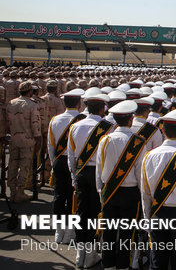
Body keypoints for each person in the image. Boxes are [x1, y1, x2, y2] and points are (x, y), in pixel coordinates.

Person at [141, 108, 176, 270]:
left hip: (157, 212)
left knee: (157, 261)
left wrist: (147, 219)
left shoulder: (149, 155)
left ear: (163, 131)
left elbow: (145, 192)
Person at [96, 100, 149, 270]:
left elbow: (99, 168)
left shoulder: (105, 140)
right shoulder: (138, 142)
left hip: (109, 191)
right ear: (131, 119)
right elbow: (140, 174)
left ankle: (108, 264)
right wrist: (142, 196)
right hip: (130, 193)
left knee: (109, 232)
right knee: (127, 233)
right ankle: (123, 265)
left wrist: (100, 191)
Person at [67, 88, 112, 268]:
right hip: (97, 173)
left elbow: (71, 156)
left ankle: (80, 253)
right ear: (102, 108)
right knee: (95, 213)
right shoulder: (108, 127)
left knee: (81, 212)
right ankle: (91, 253)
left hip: (80, 172)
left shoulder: (75, 126)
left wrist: (73, 176)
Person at [47, 87, 85, 244]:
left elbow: (51, 146)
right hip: (74, 162)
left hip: (58, 161)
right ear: (78, 103)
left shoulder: (55, 120)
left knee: (58, 195)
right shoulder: (82, 120)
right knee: (72, 197)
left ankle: (59, 230)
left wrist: (53, 163)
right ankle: (70, 231)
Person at [6, 81, 41, 203]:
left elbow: (7, 122)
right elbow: (35, 124)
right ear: (30, 91)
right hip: (27, 139)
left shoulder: (11, 103)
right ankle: (20, 191)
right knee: (24, 166)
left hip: (14, 138)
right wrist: (38, 139)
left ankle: (12, 192)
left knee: (12, 164)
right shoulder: (32, 105)